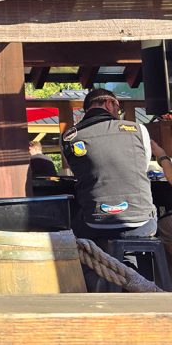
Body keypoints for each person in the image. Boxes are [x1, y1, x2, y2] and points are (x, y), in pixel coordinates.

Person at [61, 88, 162, 248]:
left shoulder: (68, 137)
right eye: (118, 108)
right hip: (141, 222)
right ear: (109, 104)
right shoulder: (138, 130)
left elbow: (80, 172)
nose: (118, 113)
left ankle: (98, 261)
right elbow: (141, 167)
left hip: (95, 223)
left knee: (74, 221)